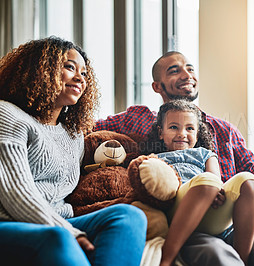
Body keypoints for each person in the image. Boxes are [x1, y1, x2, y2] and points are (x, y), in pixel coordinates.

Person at [95, 51, 254, 265]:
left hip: (235, 220)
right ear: (157, 86)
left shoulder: (223, 129)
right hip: (184, 219)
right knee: (220, 257)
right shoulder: (138, 119)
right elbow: (87, 129)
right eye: (174, 70)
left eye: (190, 69)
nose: (187, 75)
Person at [0, 37, 147, 266]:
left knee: (129, 216)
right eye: (69, 67)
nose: (80, 78)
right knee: (58, 236)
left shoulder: (73, 133)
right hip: (10, 221)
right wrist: (69, 231)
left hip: (61, 221)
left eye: (85, 73)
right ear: (40, 70)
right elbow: (14, 193)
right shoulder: (7, 114)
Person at [142, 99, 254, 266]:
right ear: (161, 133)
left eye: (189, 128)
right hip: (177, 207)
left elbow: (215, 180)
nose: (182, 133)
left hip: (213, 208)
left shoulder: (205, 154)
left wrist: (218, 192)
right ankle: (166, 259)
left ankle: (243, 259)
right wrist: (209, 186)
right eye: (173, 127)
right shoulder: (154, 159)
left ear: (197, 134)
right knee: (206, 183)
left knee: (250, 182)